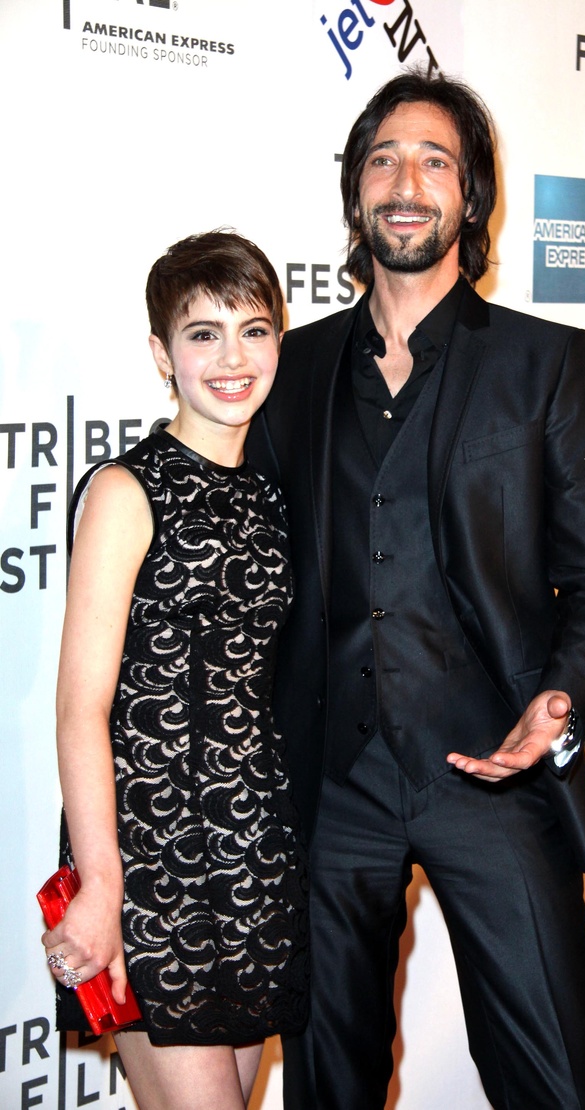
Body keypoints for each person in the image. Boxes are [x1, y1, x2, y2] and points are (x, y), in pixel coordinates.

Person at [250, 70, 585, 1110]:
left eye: (434, 161)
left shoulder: (546, 362)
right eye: (382, 160)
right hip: (333, 790)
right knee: (328, 1088)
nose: (405, 182)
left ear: (472, 198)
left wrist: (556, 702)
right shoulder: (292, 368)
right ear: (356, 193)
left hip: (495, 772)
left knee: (553, 1080)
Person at [41, 231, 309, 1110]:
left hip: (254, 854)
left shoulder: (271, 497)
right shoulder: (127, 492)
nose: (233, 358)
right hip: (151, 863)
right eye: (204, 334)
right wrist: (101, 885)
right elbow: (81, 708)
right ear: (162, 354)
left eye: (254, 330)